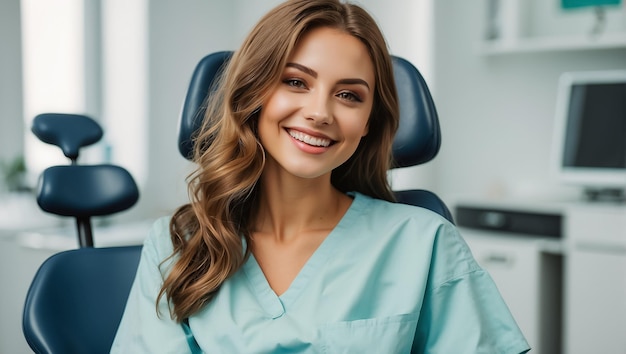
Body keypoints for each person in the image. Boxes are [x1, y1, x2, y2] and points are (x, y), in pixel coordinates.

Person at [111, 0, 530, 353]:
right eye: (295, 82)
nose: (320, 112)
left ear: (368, 122)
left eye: (349, 95)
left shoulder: (424, 242)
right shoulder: (177, 242)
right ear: (253, 94)